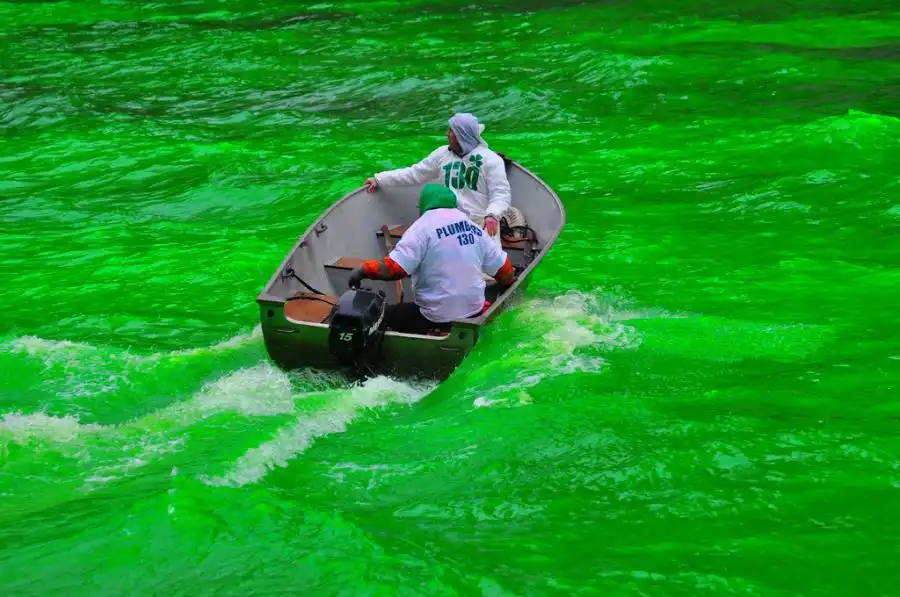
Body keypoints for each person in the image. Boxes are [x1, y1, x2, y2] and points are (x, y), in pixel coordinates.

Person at [347, 184, 517, 335]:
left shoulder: (421, 228)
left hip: (436, 318)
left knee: (383, 315)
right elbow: (504, 270)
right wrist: (508, 287)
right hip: (475, 312)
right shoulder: (473, 228)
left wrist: (361, 271)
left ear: (423, 205)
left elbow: (394, 269)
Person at [364, 113, 511, 242]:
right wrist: (379, 179)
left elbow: (501, 194)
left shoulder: (491, 160)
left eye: (451, 131)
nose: (447, 134)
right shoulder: (442, 154)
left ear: (461, 135)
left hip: (481, 224)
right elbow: (415, 173)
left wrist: (492, 215)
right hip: (448, 224)